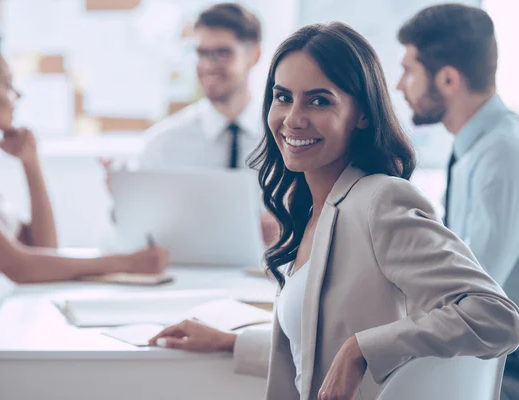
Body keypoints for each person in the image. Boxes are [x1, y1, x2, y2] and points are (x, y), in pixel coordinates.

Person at [149, 23, 519, 400]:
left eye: (319, 100)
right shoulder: (315, 211)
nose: (293, 118)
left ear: (362, 113)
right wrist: (230, 342)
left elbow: (498, 316)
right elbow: (316, 354)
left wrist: (362, 349)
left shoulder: (381, 202)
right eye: (282, 97)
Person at [0, 27, 168, 400]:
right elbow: (21, 268)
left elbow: (43, 247)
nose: (15, 93)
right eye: (6, 81)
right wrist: (128, 262)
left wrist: (30, 163)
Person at [396, 5, 519, 399]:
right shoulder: (475, 147)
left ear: (448, 78)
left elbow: (474, 297)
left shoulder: (504, 155)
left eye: (409, 70)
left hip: (500, 372)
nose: (401, 86)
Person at [103, 3, 279, 245]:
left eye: (222, 53)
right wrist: (125, 200)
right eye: (201, 53)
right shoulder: (164, 142)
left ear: (254, 55)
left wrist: (289, 228)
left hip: (266, 277)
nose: (207, 65)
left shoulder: (284, 138)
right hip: (187, 278)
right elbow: (133, 230)